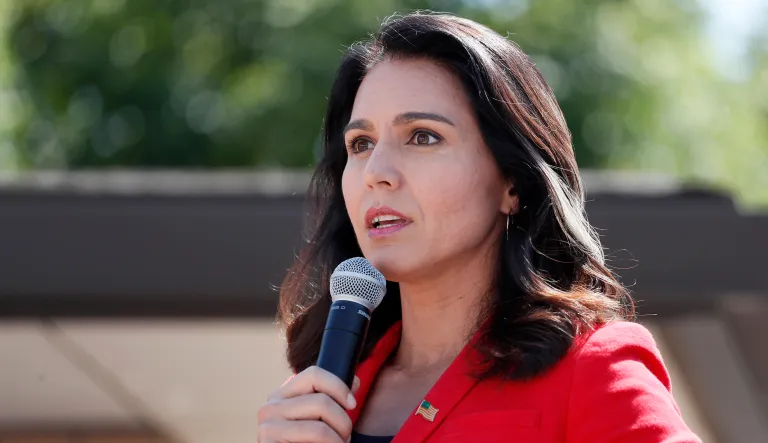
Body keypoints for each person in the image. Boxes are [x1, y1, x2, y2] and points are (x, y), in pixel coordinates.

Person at [257, 11, 702, 443]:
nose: (376, 172)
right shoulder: (317, 396)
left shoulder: (591, 368)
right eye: (361, 144)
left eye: (422, 136)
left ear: (512, 182)